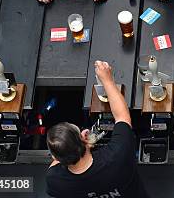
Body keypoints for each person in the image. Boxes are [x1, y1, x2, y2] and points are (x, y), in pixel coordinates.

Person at [45, 61, 149, 198]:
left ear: (55, 157)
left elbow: (58, 162)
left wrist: (83, 146)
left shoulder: (55, 181)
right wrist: (107, 80)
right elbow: (122, 117)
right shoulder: (118, 155)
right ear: (83, 138)